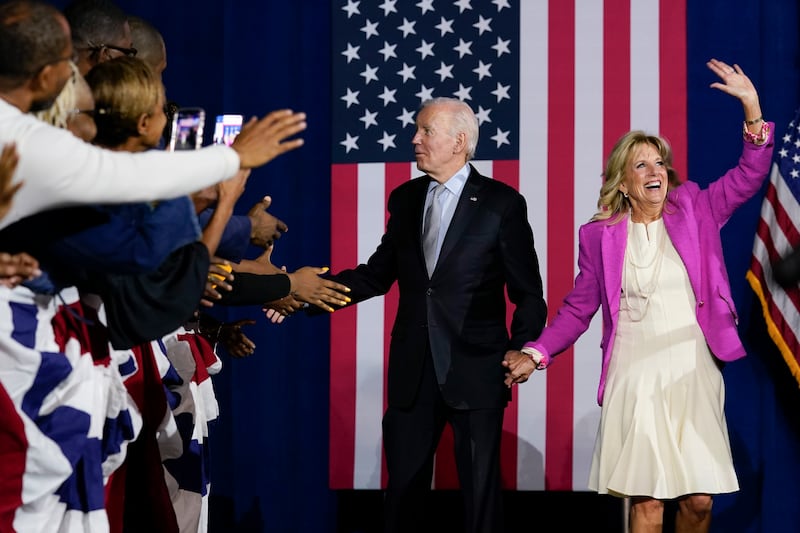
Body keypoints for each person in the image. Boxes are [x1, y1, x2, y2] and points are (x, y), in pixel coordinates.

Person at [503, 58, 774, 533]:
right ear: (624, 183)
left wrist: (751, 107)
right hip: (635, 370)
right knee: (647, 504)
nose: (655, 170)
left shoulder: (695, 206)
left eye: (659, 162)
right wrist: (537, 351)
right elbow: (579, 307)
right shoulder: (599, 235)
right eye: (641, 164)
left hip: (693, 367)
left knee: (699, 501)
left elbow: (749, 176)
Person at [317, 97, 547, 533]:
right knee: (402, 492)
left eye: (425, 131)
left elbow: (528, 292)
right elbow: (376, 276)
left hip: (479, 368)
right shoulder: (404, 199)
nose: (414, 139)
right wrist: (305, 296)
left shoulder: (502, 204)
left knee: (480, 498)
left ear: (459, 141)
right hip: (413, 370)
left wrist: (525, 348)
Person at [0, 0, 307, 233]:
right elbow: (127, 177)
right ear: (43, 77)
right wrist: (233, 158)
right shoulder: (36, 142)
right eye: (65, 59)